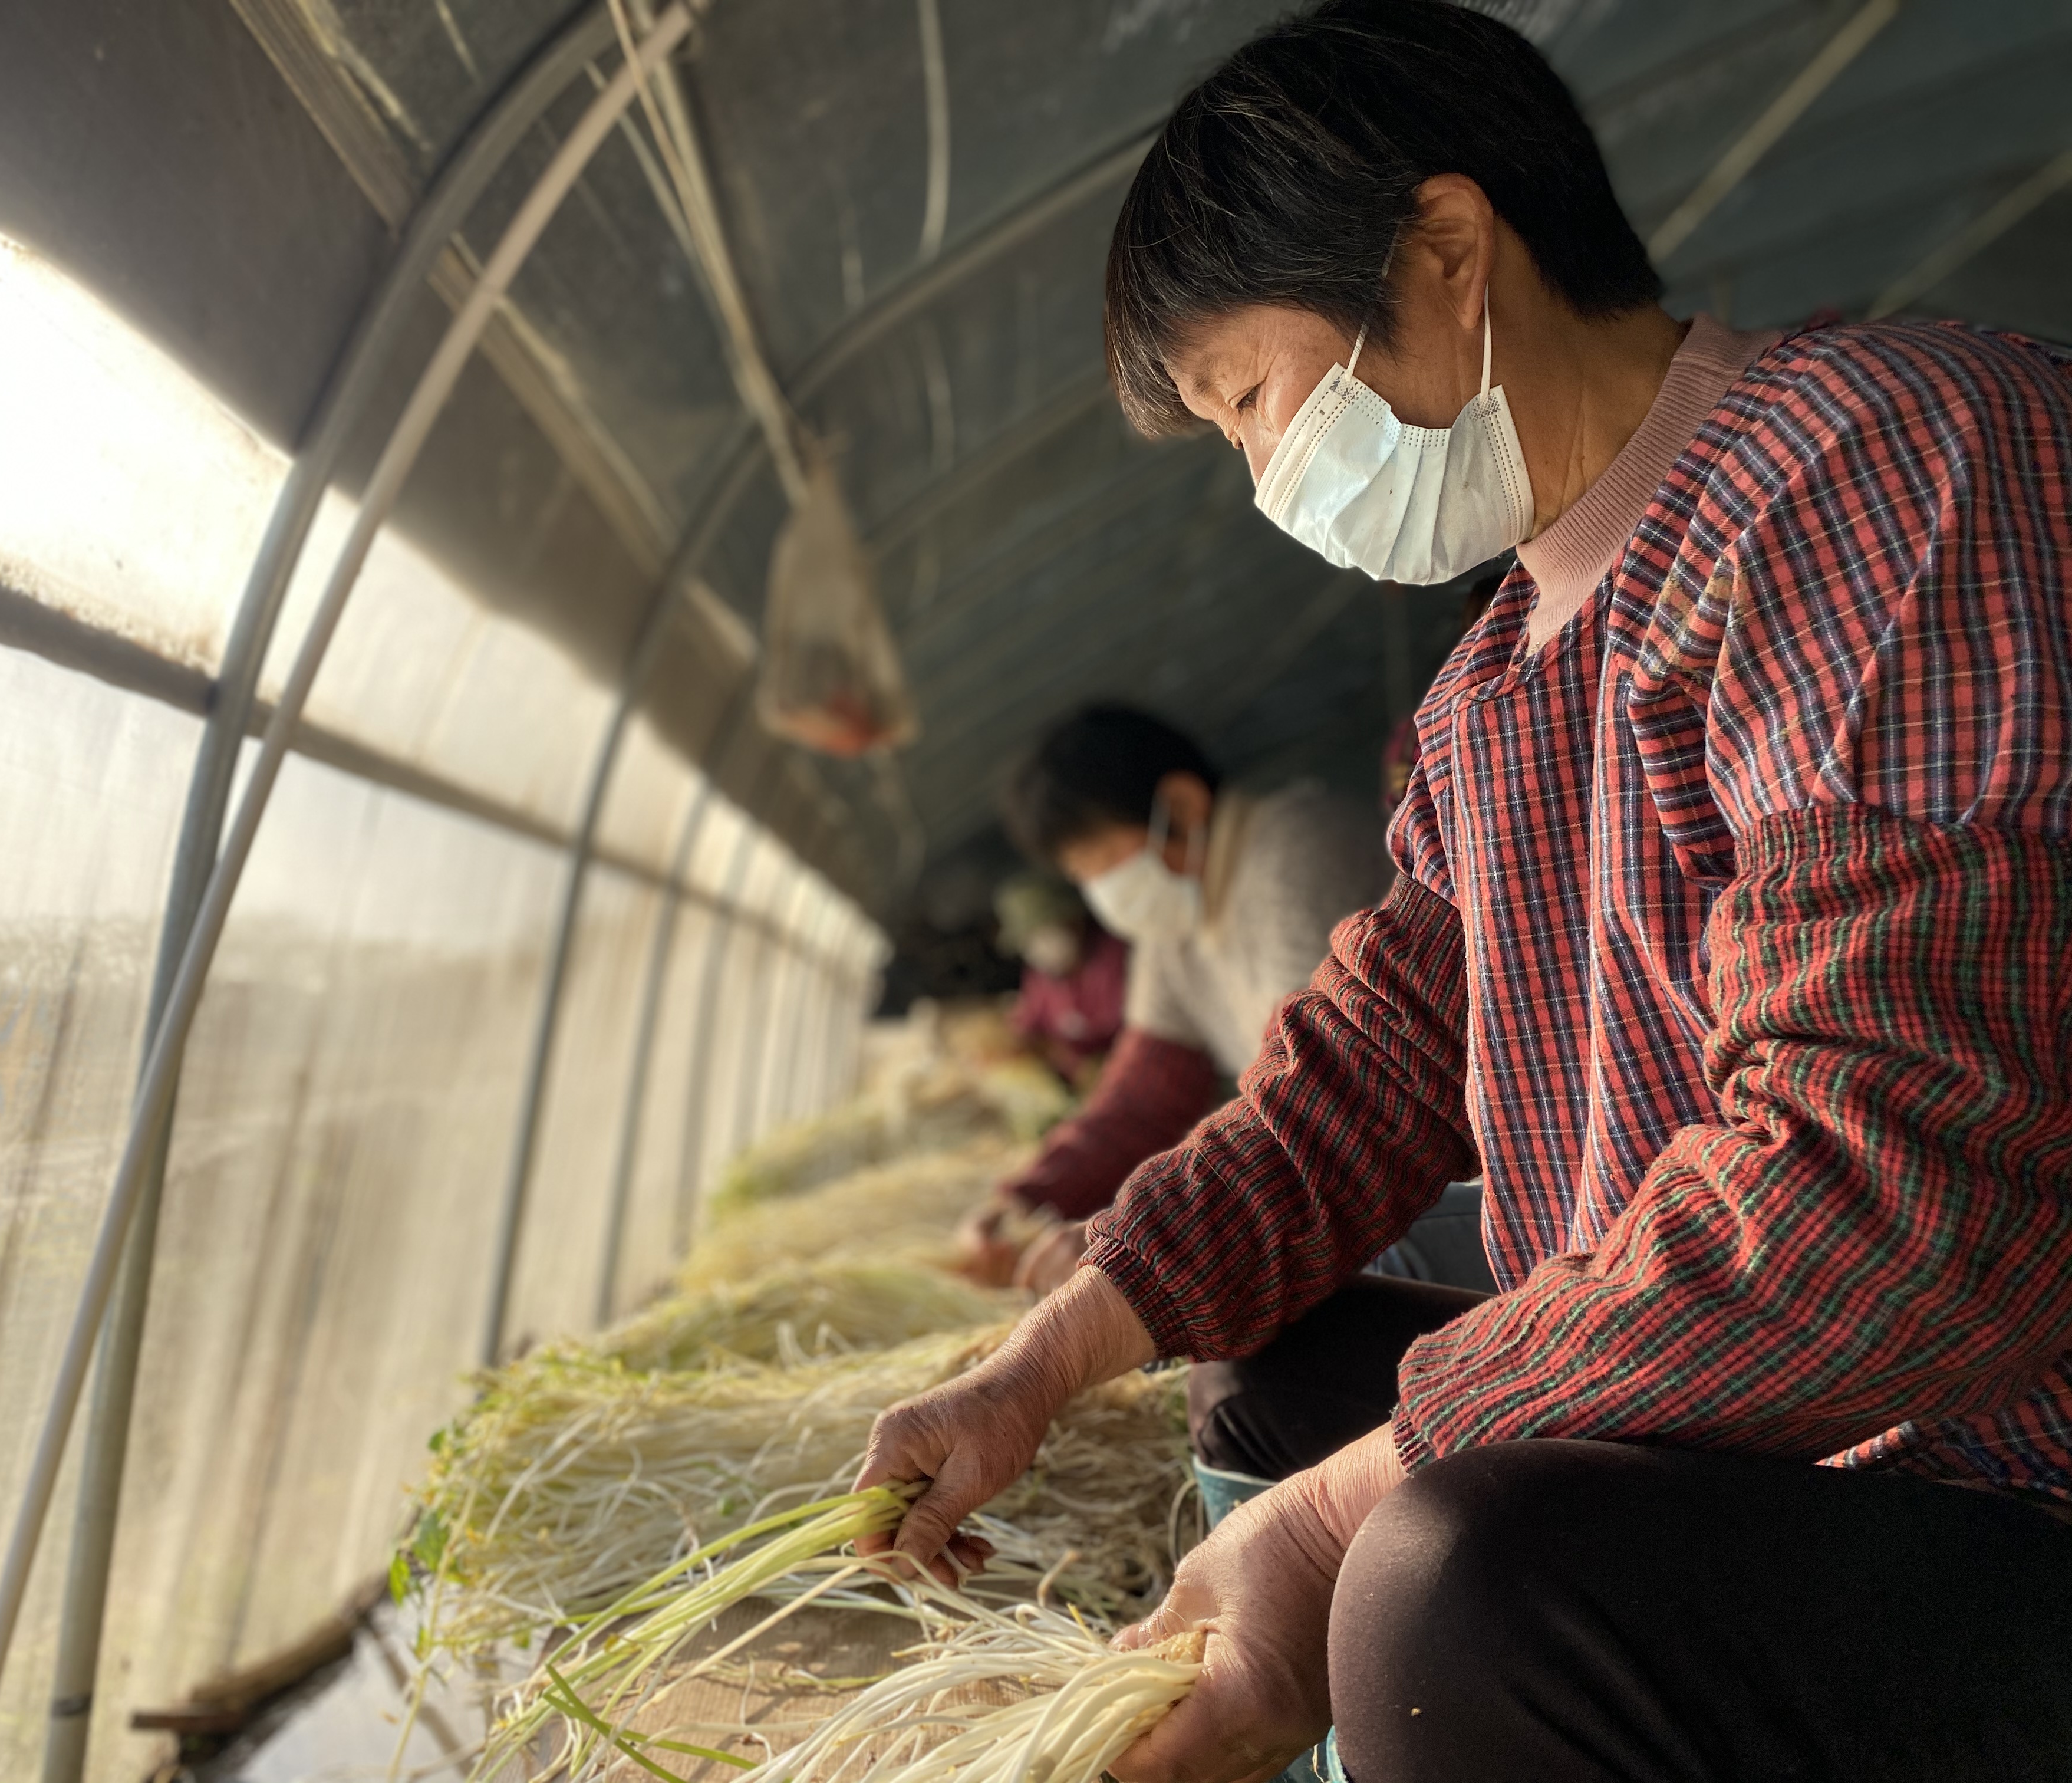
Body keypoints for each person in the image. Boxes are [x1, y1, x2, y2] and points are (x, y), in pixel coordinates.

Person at [858, 5, 2072, 1781]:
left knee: (1441, 1588)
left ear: (1444, 253)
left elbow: (1893, 1198)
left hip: (2002, 1456)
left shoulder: (1879, 475)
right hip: (1789, 1434)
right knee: (1273, 1373)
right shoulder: (1499, 686)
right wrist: (1040, 1366)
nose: (1270, 477)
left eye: (1256, 403)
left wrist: (1351, 1509)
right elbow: (1359, 1074)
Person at [958, 705, 1390, 1294]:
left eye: (1109, 862)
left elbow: (1315, 1090)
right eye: (1085, 877)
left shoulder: (1296, 851)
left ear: (1184, 806)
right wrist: (1027, 1197)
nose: (1104, 894)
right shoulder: (1175, 931)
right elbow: (1143, 1101)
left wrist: (1141, 1231)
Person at [993, 871, 1128, 1088]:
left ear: (1074, 921)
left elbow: (1143, 1037)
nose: (1038, 947)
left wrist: (1087, 1065)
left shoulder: (1117, 960)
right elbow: (1027, 1026)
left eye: (1043, 932)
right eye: (1028, 939)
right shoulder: (1041, 976)